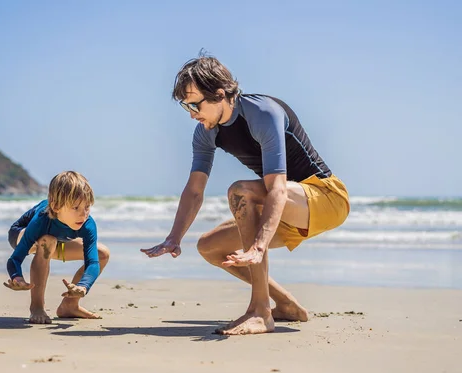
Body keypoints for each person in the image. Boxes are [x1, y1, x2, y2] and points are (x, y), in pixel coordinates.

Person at [141, 54, 350, 335]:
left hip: (325, 198)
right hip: (285, 210)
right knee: (210, 247)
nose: (191, 113)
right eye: (185, 106)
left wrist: (259, 246)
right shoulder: (206, 133)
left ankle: (260, 312)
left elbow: (276, 186)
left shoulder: (262, 113)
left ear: (219, 95)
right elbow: (194, 191)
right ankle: (285, 304)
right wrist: (173, 238)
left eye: (194, 104)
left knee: (240, 191)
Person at [4, 171, 110, 324]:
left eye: (87, 207)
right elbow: (15, 259)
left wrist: (83, 286)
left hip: (59, 241)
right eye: (75, 208)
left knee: (102, 254)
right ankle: (37, 307)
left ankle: (69, 306)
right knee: (48, 240)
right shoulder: (41, 219)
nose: (83, 214)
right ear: (56, 206)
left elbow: (92, 262)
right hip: (21, 235)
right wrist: (17, 277)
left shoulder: (87, 224)